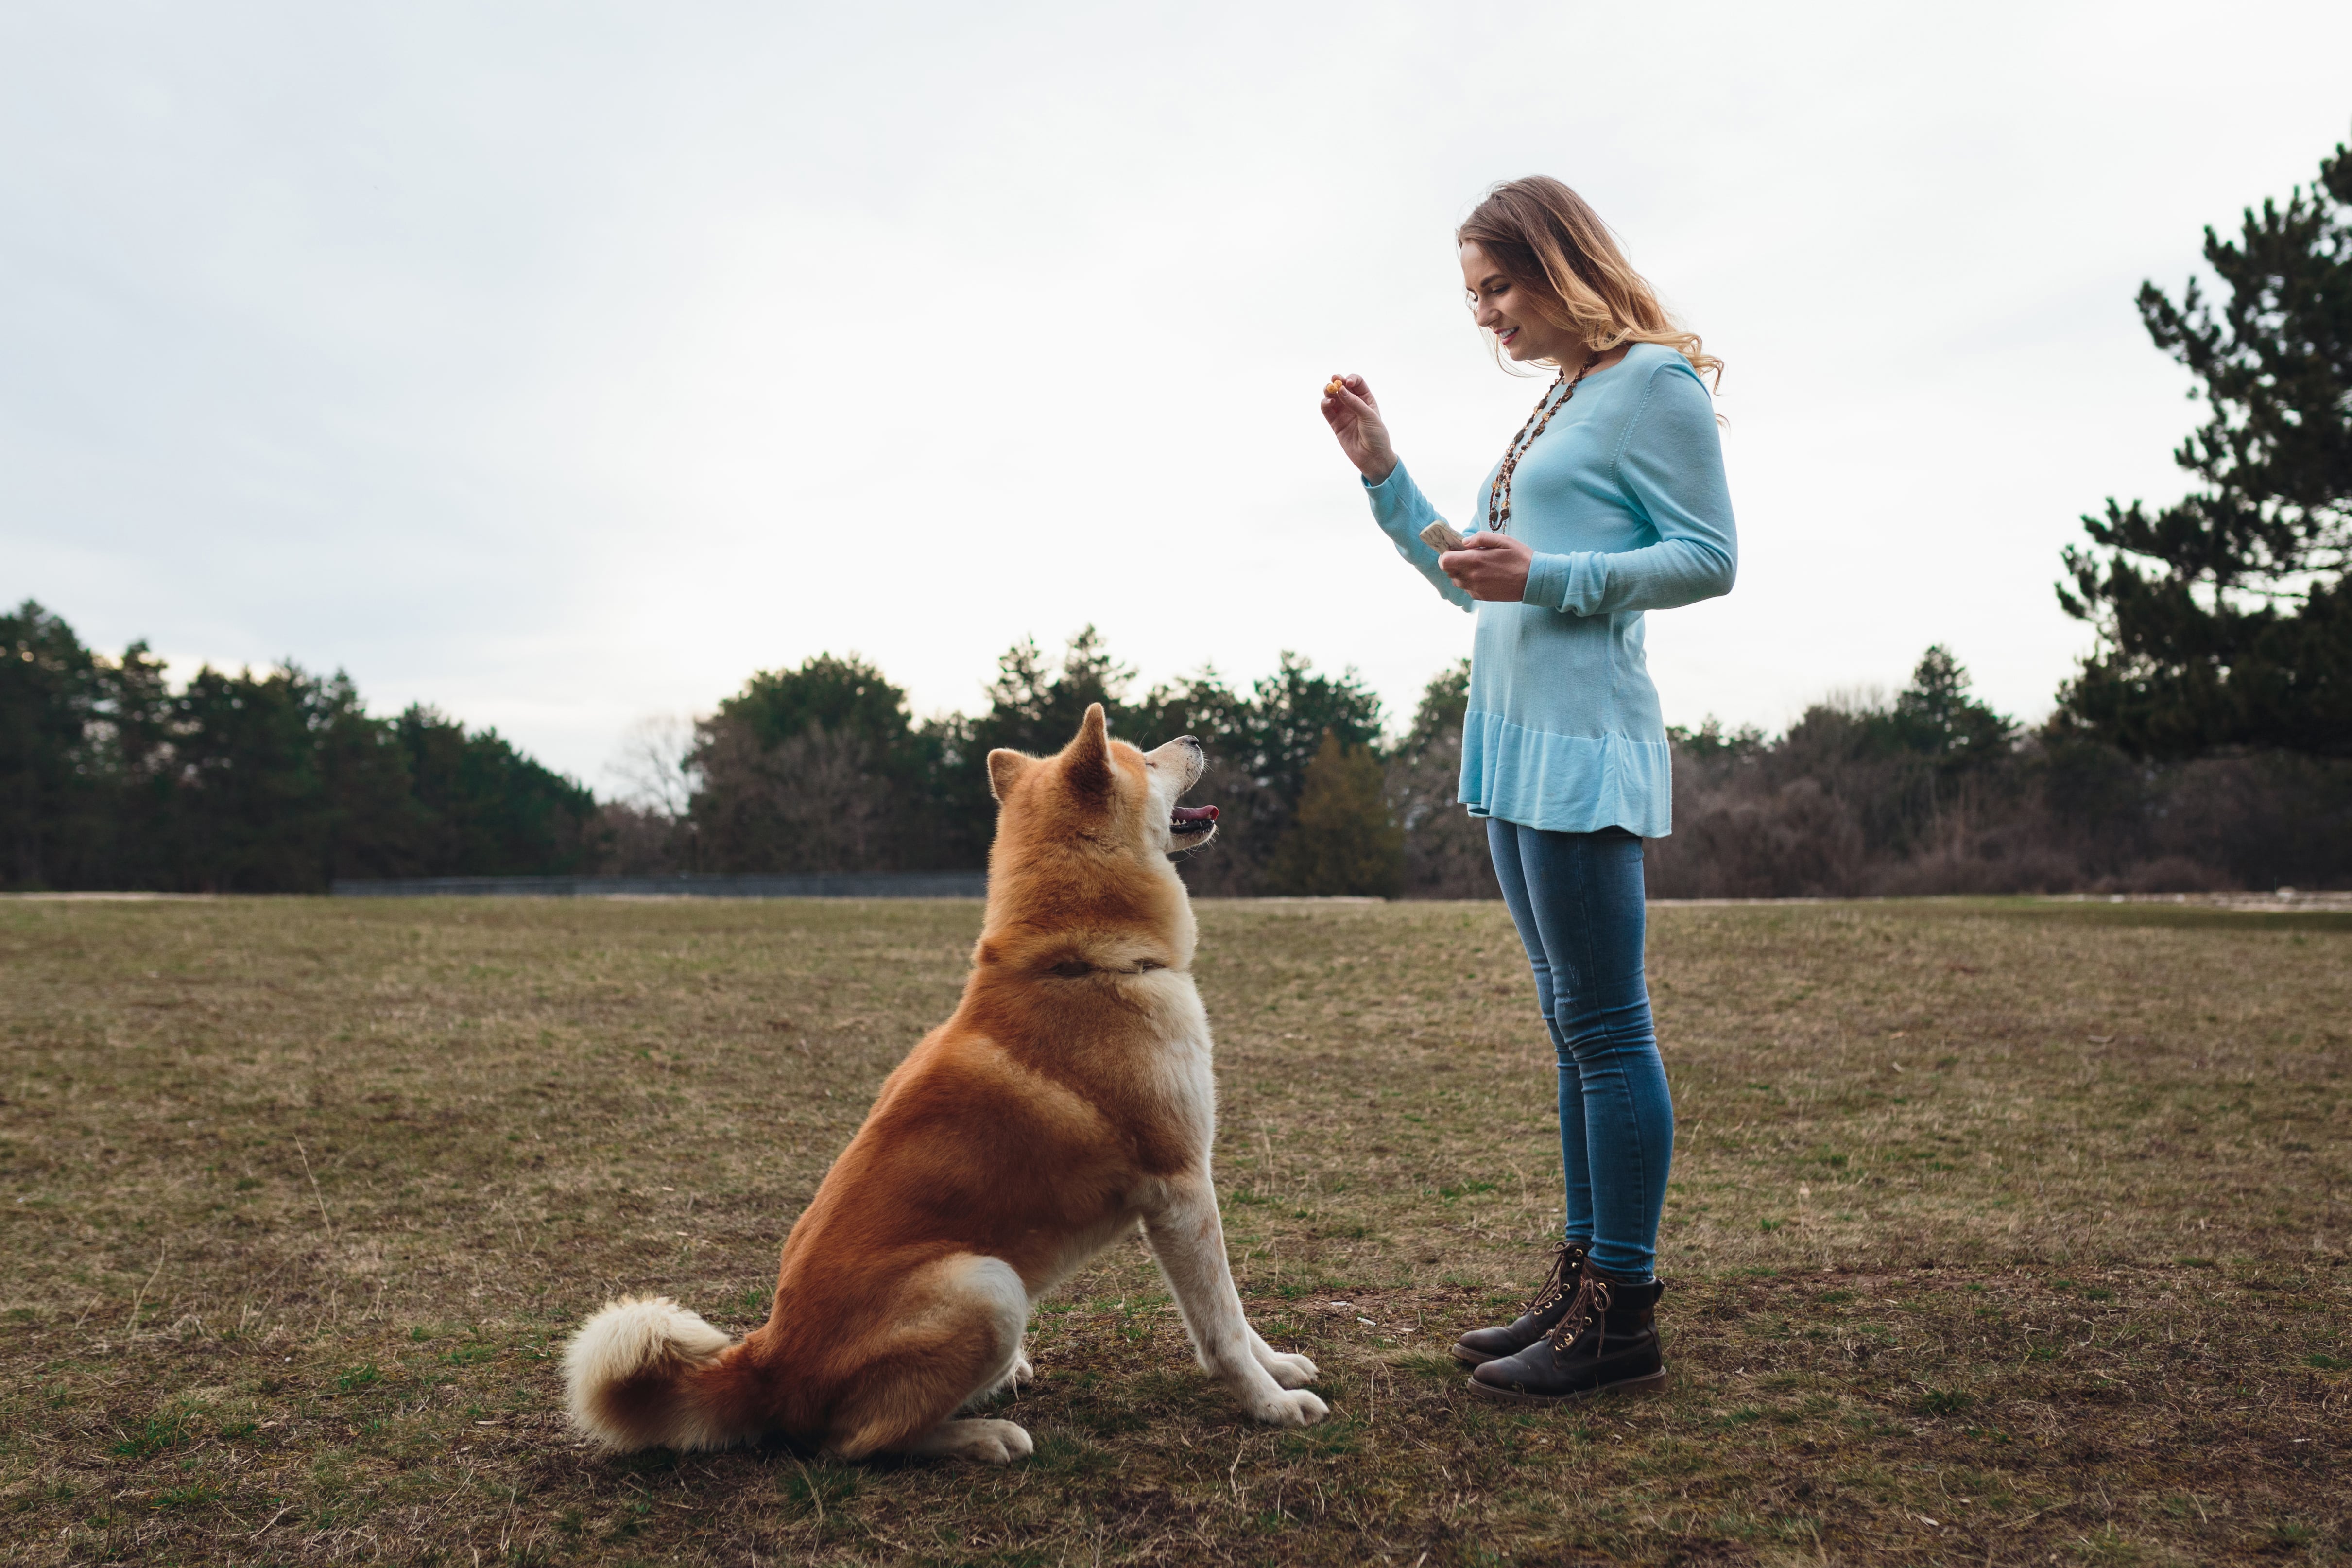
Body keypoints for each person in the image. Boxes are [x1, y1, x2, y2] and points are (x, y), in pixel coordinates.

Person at [1320, 175, 1735, 1404]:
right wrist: (1386, 476)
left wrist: (1552, 574)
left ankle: (1625, 1311)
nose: (1485, 315)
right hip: (1509, 746)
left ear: (1561, 265)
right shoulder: (1565, 401)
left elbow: (1709, 559)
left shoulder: (1653, 385)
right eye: (1473, 297)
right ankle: (1582, 1280)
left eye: (1496, 287)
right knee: (1573, 1028)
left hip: (1583, 746)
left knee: (1609, 1029)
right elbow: (1478, 583)